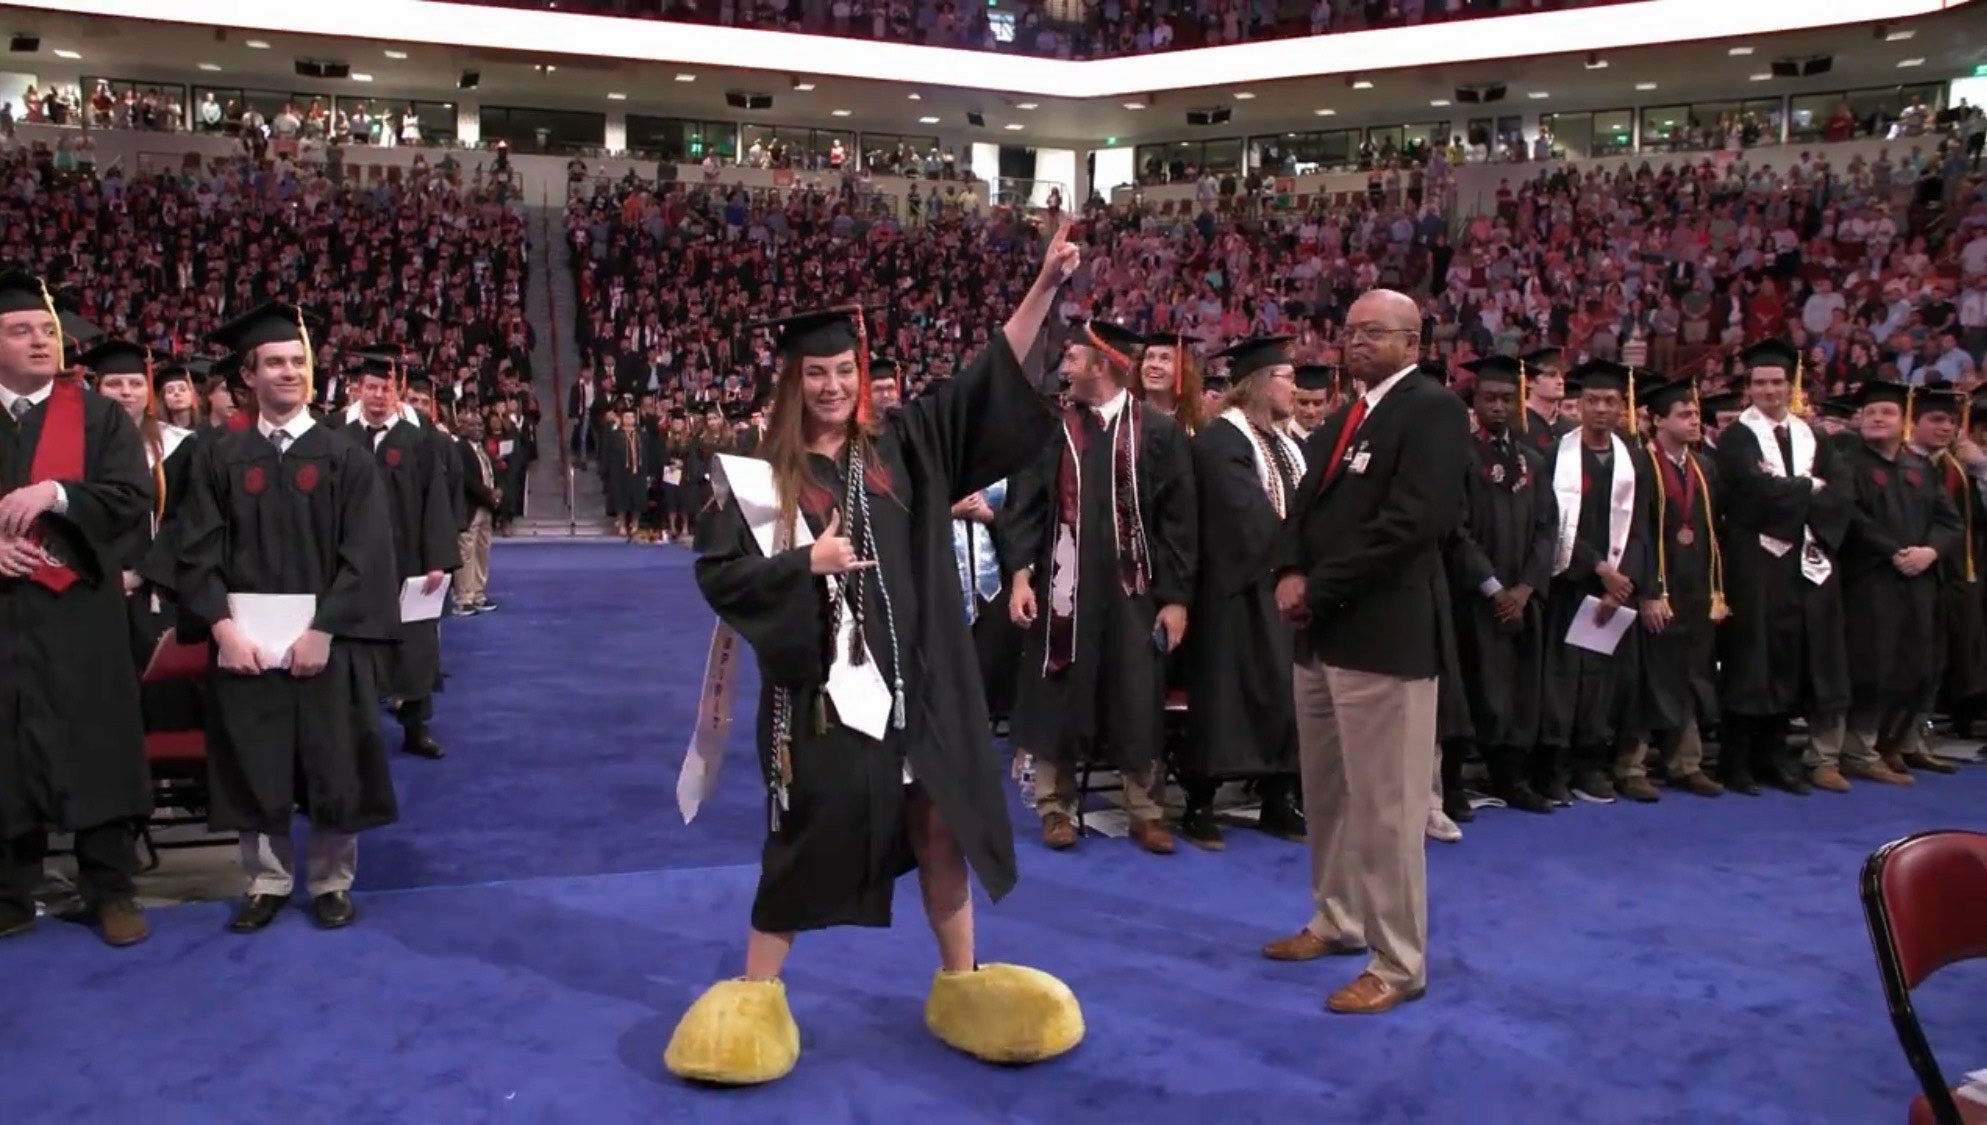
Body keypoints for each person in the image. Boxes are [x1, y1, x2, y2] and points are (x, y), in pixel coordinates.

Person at [667, 228, 1083, 1087]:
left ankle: (961, 982)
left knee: (942, 828)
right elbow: (723, 578)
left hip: (921, 689)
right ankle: (755, 990)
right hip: (821, 700)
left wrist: (1041, 286)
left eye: (845, 371)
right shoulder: (756, 479)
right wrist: (800, 565)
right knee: (803, 836)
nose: (832, 385)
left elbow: (983, 381)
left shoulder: (899, 451)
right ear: (791, 381)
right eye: (815, 373)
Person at [1266, 288, 1469, 1015]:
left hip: (1383, 636)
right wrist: (1289, 569)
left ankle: (1397, 959)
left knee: (1386, 808)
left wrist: (1314, 586)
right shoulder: (1347, 416)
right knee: (1327, 796)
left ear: (1412, 342)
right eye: (1349, 330)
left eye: (1373, 332)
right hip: (1322, 637)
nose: (1355, 341)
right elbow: (1300, 506)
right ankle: (1337, 918)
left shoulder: (1431, 411)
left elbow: (1414, 525)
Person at [175, 300, 401, 933]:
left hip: (326, 644)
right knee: (255, 759)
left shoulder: (344, 455)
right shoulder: (218, 455)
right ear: (247, 376)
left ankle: (331, 881)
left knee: (334, 761)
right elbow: (196, 548)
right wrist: (222, 631)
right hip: (244, 645)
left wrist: (324, 631)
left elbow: (367, 554)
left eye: (298, 361)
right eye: (274, 362)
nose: (289, 372)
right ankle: (266, 882)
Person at [1002, 319, 1198, 855]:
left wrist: (1176, 599)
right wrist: (1020, 576)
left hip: (1135, 593)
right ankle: (1054, 808)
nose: (1066, 367)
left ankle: (1146, 810)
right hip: (1064, 589)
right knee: (1057, 688)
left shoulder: (1157, 432)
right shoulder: (1053, 428)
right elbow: (1024, 508)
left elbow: (1180, 523)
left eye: (1075, 359)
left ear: (1104, 366)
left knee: (1138, 695)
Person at [0, 271, 154, 948]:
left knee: (95, 742)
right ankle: (9, 890)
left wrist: (59, 494)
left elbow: (131, 498)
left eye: (46, 329)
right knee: (6, 745)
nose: (40, 340)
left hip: (80, 610)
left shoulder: (97, 415)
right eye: (20, 330)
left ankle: (110, 889)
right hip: (6, 615)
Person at [1712, 340, 1856, 795]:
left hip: (1801, 562)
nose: (1769, 390)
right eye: (1760, 382)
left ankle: (1774, 757)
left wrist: (1795, 490)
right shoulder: (1736, 437)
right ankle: (1736, 762)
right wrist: (1808, 488)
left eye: (1777, 382)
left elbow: (1840, 492)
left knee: (1789, 657)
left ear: (1789, 385)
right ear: (1748, 388)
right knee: (1751, 658)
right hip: (1754, 561)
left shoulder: (1812, 435)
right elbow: (1753, 495)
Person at [1179, 336, 1306, 850]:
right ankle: (1199, 804)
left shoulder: (1283, 441)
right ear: (1257, 383)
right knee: (1226, 701)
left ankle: (1279, 799)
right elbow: (1246, 515)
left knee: (1285, 697)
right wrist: (1299, 552)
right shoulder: (1221, 441)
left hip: (1282, 588)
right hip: (1234, 592)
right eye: (1286, 377)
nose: (1295, 388)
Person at [1537, 360, 1654, 805]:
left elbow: (1643, 526)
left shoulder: (1634, 460)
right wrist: (1598, 568)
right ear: (1578, 405)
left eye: (1610, 402)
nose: (1601, 409)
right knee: (1563, 681)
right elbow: (1554, 522)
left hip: (1615, 593)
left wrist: (1622, 583)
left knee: (1603, 683)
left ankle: (1592, 765)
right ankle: (1555, 769)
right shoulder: (1556, 455)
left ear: (1622, 408)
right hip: (1569, 583)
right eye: (1592, 401)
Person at [1837, 381, 1962, 780]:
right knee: (1873, 665)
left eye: (1887, 412)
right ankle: (1860, 750)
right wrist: (1894, 551)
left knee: (1915, 665)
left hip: (1917, 579)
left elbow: (1949, 521)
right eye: (1871, 412)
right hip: (1870, 580)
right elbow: (1853, 518)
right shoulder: (1847, 463)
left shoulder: (1918, 467)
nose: (1877, 418)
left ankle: (1895, 745)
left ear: (1902, 421)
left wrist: (1929, 552)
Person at [1449, 355, 1557, 813]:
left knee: (1517, 689)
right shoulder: (1459, 457)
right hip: (1475, 599)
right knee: (1469, 686)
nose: (1498, 406)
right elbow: (1456, 529)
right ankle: (1452, 783)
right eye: (1489, 397)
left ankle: (1510, 777)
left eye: (1506, 399)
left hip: (1522, 597)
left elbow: (1547, 529)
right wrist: (1493, 587)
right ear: (1474, 402)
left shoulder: (1532, 459)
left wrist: (1527, 588)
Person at [342, 354, 459, 760]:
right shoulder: (335, 437)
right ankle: (357, 730)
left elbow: (435, 503)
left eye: (386, 389)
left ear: (397, 393)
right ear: (357, 390)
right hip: (351, 564)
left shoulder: (418, 440)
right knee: (354, 646)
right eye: (371, 388)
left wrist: (436, 560)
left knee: (415, 646)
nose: (378, 396)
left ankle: (415, 727)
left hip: (407, 559)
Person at [1623, 374, 1726, 800]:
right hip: (1656, 589)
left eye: (1696, 413)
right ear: (1656, 420)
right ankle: (1631, 765)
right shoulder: (1638, 465)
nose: (1693, 420)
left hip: (1696, 588)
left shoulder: (1705, 468)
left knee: (1690, 675)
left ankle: (1686, 762)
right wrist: (1648, 591)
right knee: (1648, 677)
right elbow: (1634, 532)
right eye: (1683, 414)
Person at [1287, 364, 1335, 442]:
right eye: (1303, 403)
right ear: (1292, 401)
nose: (1310, 411)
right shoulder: (1281, 437)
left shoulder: (1337, 438)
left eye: (1317, 404)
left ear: (1328, 403)